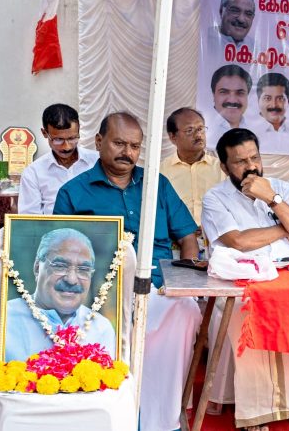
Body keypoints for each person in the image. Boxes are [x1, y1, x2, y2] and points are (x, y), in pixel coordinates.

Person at [54, 112, 202, 431]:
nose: (128, 152)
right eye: (119, 143)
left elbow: (188, 237)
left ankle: (162, 421)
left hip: (158, 288)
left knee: (187, 309)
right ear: (99, 142)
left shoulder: (157, 185)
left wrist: (185, 282)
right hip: (101, 296)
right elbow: (61, 253)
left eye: (135, 146)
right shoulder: (73, 193)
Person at [200, 128, 289, 431]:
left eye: (254, 158)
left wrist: (271, 199)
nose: (251, 166)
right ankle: (259, 411)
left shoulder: (283, 190)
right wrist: (284, 230)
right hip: (245, 281)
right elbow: (238, 241)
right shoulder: (215, 198)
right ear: (224, 167)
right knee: (247, 318)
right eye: (240, 162)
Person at [5, 228, 115, 362]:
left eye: (83, 269)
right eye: (60, 266)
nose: (72, 280)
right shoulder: (3, 319)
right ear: (37, 268)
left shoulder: (101, 329)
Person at [18, 104, 99, 214]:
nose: (67, 147)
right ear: (44, 133)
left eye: (72, 138)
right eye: (58, 140)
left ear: (79, 130)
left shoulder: (98, 161)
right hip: (53, 225)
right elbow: (29, 217)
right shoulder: (33, 173)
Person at [160, 107, 225, 226]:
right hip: (177, 236)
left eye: (200, 129)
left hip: (217, 234)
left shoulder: (222, 168)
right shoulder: (161, 172)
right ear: (173, 137)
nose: (198, 135)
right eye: (189, 130)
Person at [207, 64, 252, 150]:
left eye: (240, 93)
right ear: (213, 95)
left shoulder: (256, 131)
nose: (232, 100)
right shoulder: (203, 130)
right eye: (224, 92)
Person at [251, 72, 289, 137]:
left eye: (280, 99)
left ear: (288, 102)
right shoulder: (249, 132)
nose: (274, 105)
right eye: (267, 98)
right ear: (258, 101)